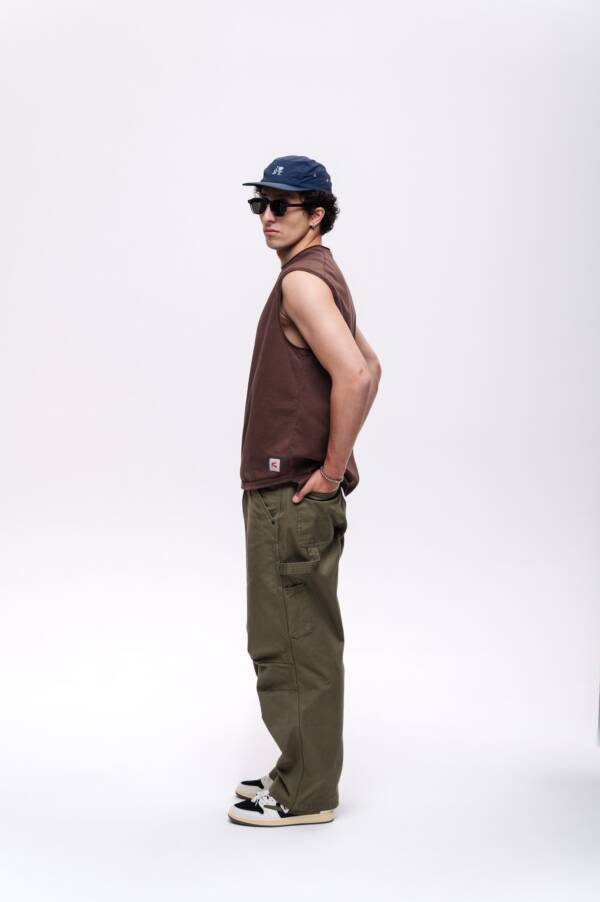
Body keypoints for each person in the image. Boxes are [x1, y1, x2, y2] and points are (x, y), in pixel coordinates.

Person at [228, 155, 382, 826]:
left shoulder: (301, 282)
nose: (267, 217)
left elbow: (356, 374)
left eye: (281, 205)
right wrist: (335, 464)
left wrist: (329, 467)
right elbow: (370, 365)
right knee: (303, 635)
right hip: (298, 490)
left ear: (317, 214)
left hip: (289, 493)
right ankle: (302, 770)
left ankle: (304, 794)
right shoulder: (322, 275)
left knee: (288, 642)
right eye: (260, 204)